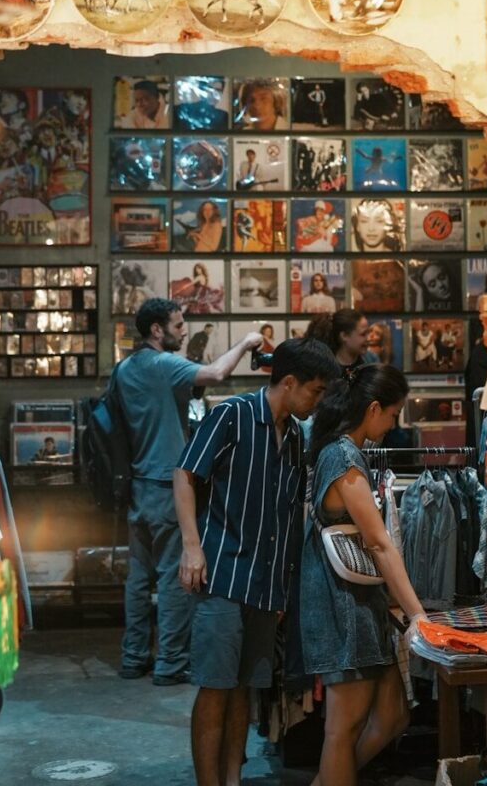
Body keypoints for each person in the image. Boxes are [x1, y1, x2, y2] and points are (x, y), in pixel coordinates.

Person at [173, 337, 341, 786]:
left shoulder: (295, 438)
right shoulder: (233, 414)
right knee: (216, 686)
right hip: (223, 572)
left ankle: (232, 779)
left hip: (266, 584)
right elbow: (185, 473)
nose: (318, 401)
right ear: (289, 382)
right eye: (315, 391)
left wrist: (284, 587)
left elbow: (290, 513)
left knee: (243, 691)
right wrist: (191, 546)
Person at [116, 298, 264, 685]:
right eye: (178, 325)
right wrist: (246, 342)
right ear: (157, 330)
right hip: (167, 483)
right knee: (172, 578)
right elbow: (216, 373)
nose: (184, 332)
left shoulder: (125, 368)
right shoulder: (163, 364)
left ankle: (133, 657)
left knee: (138, 578)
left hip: (137, 483)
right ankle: (169, 663)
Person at [301, 365, 427, 786]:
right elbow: (378, 542)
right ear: (373, 408)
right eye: (392, 414)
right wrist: (417, 614)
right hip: (342, 602)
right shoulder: (342, 456)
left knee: (392, 716)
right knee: (343, 728)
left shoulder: (344, 452)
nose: (393, 424)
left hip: (358, 600)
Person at [307, 308, 376, 376]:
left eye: (368, 332)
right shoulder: (325, 367)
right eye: (363, 334)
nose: (368, 338)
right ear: (344, 336)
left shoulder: (372, 360)